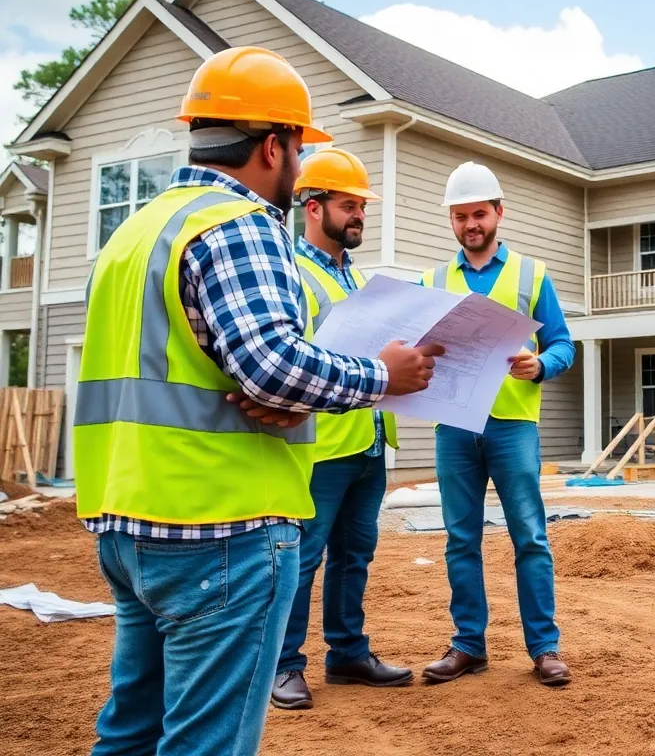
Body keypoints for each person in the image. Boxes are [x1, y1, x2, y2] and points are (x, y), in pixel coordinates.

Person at [74, 46, 442, 756]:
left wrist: (286, 392)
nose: (298, 168)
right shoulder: (239, 224)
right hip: (219, 523)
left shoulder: (133, 234)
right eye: (299, 151)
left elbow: (196, 362)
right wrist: (381, 376)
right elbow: (270, 366)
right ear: (274, 146)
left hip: (127, 518)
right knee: (203, 743)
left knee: (131, 733)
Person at [417, 161, 576, 687]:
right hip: (454, 426)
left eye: (479, 214)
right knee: (460, 538)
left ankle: (545, 648)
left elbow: (563, 344)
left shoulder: (532, 274)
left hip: (512, 425)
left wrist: (541, 365)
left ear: (499, 213)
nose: (470, 224)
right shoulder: (432, 281)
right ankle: (468, 645)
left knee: (529, 536)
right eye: (460, 216)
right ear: (451, 220)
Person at [270, 148, 413, 710]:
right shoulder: (291, 273)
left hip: (368, 440)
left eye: (362, 206)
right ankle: (284, 664)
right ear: (312, 206)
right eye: (348, 205)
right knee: (303, 557)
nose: (359, 215)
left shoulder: (355, 278)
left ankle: (348, 653)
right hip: (321, 446)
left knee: (355, 554)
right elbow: (294, 359)